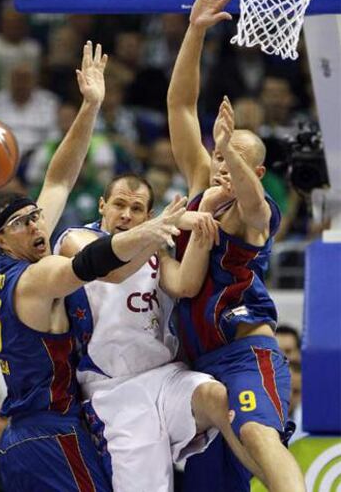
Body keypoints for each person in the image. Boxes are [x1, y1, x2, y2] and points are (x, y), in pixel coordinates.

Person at [0, 41, 188, 492]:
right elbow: (92, 263)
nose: (36, 225)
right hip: (51, 429)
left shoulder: (24, 253)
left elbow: (59, 178)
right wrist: (155, 227)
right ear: (2, 241)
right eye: (22, 223)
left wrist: (90, 106)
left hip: (25, 437)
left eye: (35, 217)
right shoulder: (35, 275)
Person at [167, 0, 306, 492]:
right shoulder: (202, 183)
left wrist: (228, 149)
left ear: (256, 169)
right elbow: (181, 107)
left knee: (258, 433)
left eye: (235, 162)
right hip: (194, 365)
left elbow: (249, 198)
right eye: (220, 159)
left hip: (246, 353)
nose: (223, 168)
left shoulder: (257, 210)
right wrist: (196, 31)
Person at [54, 172, 262, 492]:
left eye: (136, 209)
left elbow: (185, 285)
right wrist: (168, 223)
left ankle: (277, 482)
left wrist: (201, 235)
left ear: (147, 215)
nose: (126, 215)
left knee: (218, 398)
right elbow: (110, 269)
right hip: (113, 390)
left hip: (164, 375)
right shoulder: (75, 239)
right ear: (101, 205)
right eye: (119, 205)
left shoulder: (156, 249)